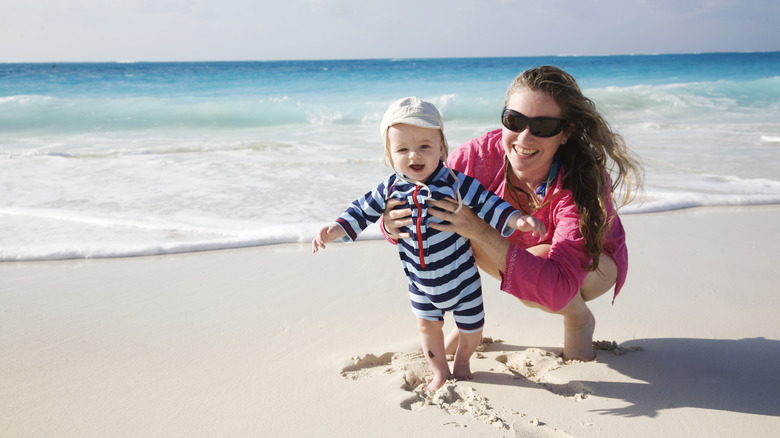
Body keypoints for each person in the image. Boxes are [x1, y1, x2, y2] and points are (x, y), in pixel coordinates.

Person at [382, 66, 643, 362]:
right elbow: (416, 208)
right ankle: (468, 323)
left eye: (543, 126)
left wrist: (479, 231)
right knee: (451, 215)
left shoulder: (581, 180)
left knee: (533, 257)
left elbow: (557, 287)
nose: (525, 137)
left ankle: (578, 319)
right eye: (514, 121)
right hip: (514, 251)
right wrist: (391, 225)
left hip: (592, 269)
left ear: (566, 132)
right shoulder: (476, 157)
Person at [313, 96, 545, 391]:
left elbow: (488, 203)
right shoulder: (389, 189)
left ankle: (462, 362)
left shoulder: (455, 182)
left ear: (441, 147)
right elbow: (361, 210)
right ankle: (439, 372)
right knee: (427, 329)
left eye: (424, 146)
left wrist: (516, 220)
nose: (414, 156)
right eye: (403, 149)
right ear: (389, 154)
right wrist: (335, 229)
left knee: (472, 329)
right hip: (421, 285)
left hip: (463, 281)